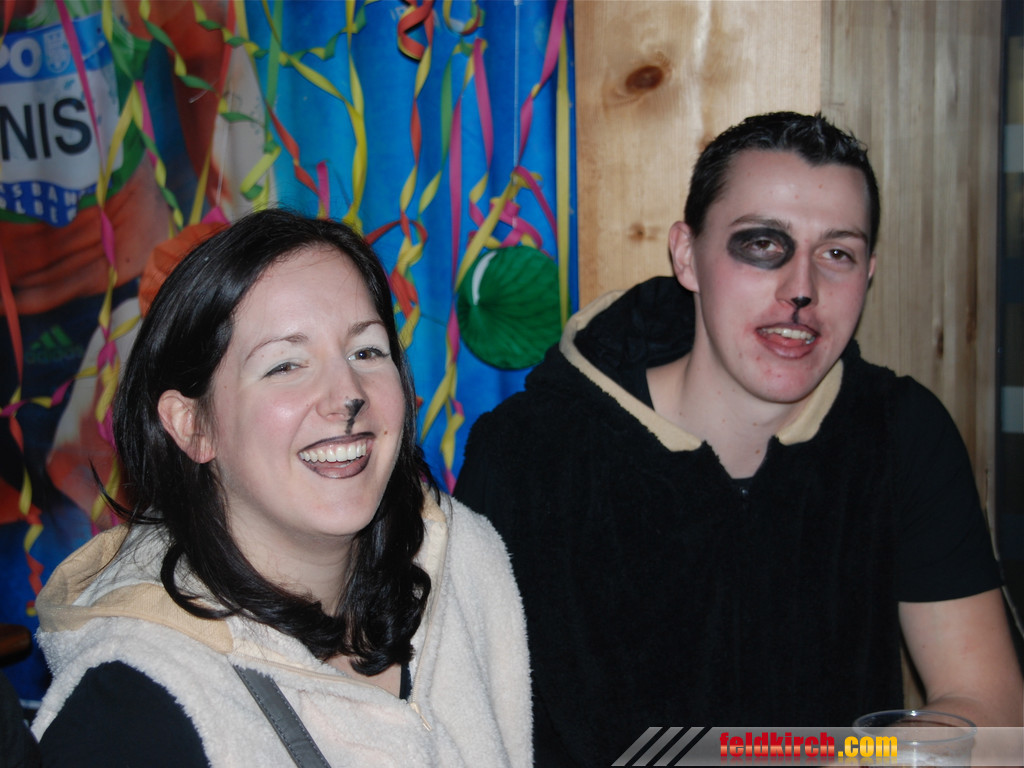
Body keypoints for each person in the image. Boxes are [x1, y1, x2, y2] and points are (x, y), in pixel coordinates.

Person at [454, 112, 1024, 766]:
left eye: (836, 253)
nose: (802, 290)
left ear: (868, 274)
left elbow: (991, 709)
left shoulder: (899, 432)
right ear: (687, 256)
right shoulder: (530, 450)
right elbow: (459, 715)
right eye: (762, 244)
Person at [29, 209, 532, 767]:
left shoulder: (466, 565)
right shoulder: (134, 709)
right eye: (286, 365)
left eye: (367, 351)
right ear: (192, 426)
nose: (348, 394)